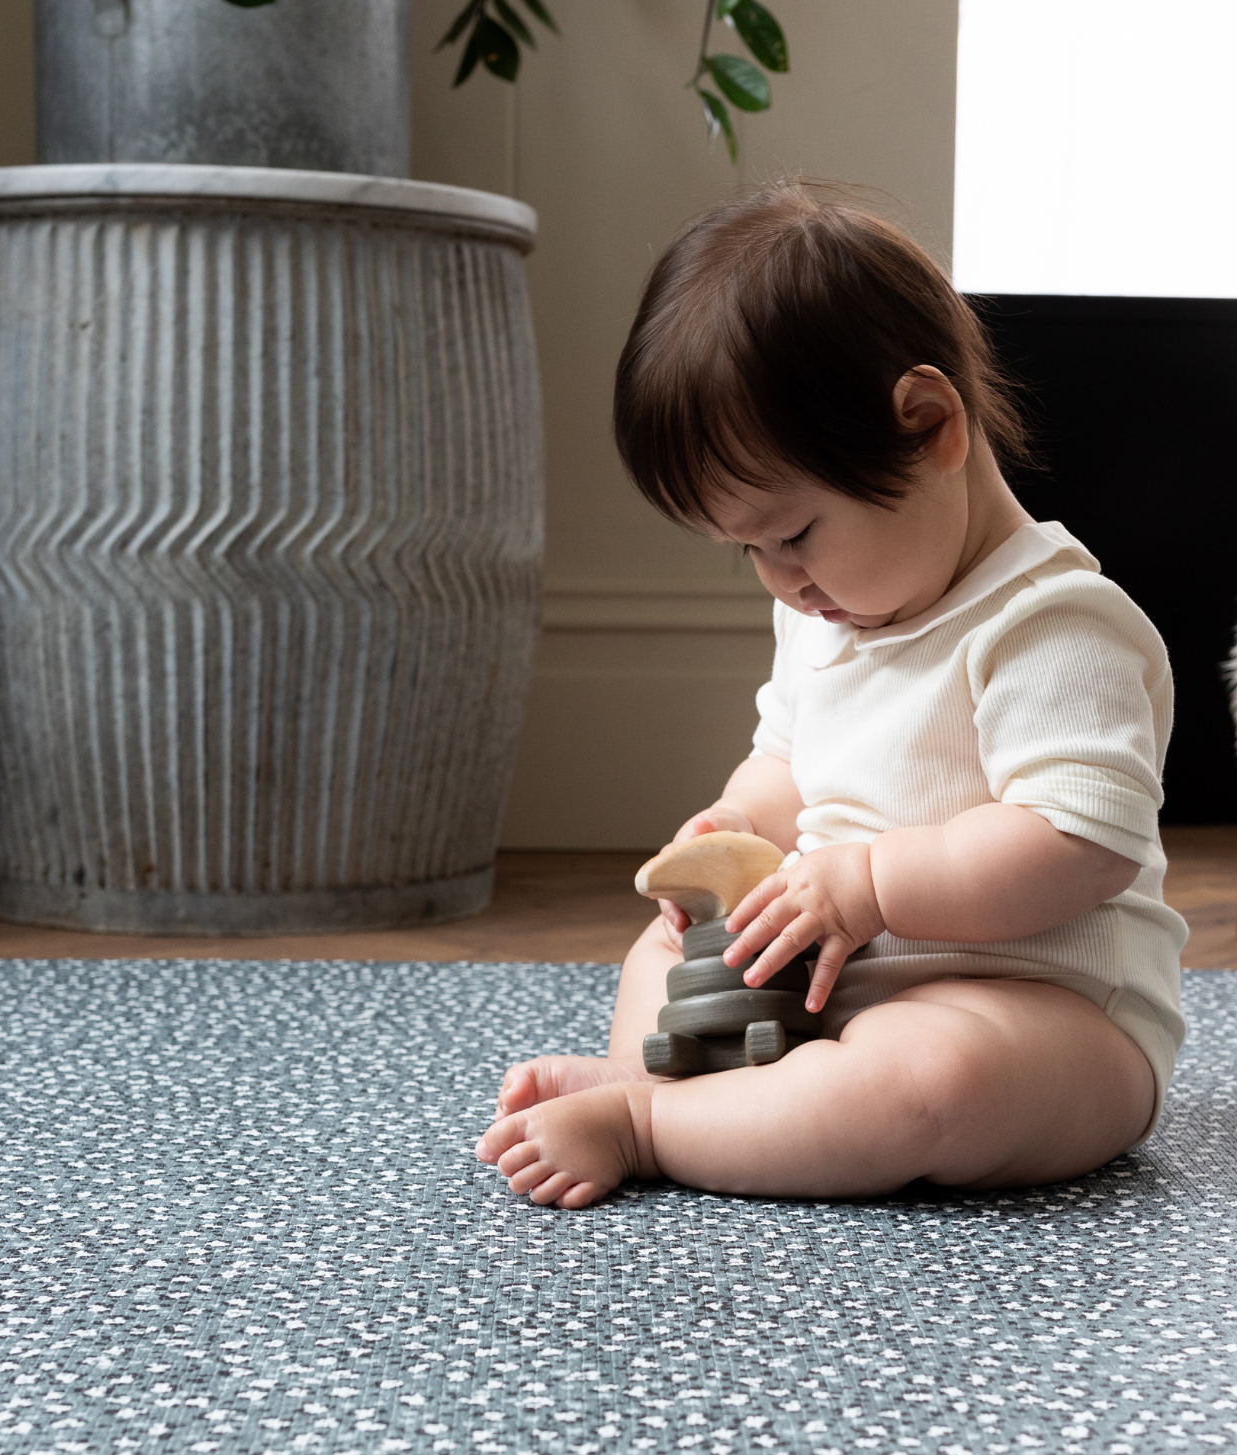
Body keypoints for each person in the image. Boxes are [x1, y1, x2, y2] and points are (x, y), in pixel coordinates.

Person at [476, 180, 1187, 1209]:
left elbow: (1078, 845)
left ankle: (649, 1118)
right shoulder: (826, 611)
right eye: (749, 551)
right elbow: (787, 765)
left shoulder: (1055, 626)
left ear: (931, 424)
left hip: (1039, 1011)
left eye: (795, 533)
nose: (782, 578)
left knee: (931, 1079)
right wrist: (736, 822)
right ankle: (680, 1083)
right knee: (661, 950)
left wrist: (871, 887)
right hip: (831, 980)